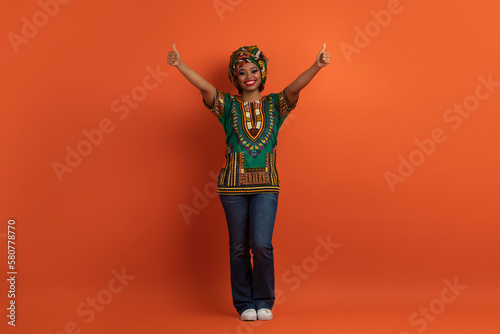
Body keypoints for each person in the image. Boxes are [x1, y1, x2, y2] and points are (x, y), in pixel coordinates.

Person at [167, 42, 330, 321]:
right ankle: (244, 304)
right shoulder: (227, 106)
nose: (248, 76)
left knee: (262, 244)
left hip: (266, 185)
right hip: (231, 187)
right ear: (236, 78)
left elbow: (295, 87)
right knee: (239, 246)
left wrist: (316, 66)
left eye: (254, 70)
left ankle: (264, 300)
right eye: (241, 72)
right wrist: (179, 64)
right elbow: (205, 87)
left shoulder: (275, 105)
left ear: (262, 74)